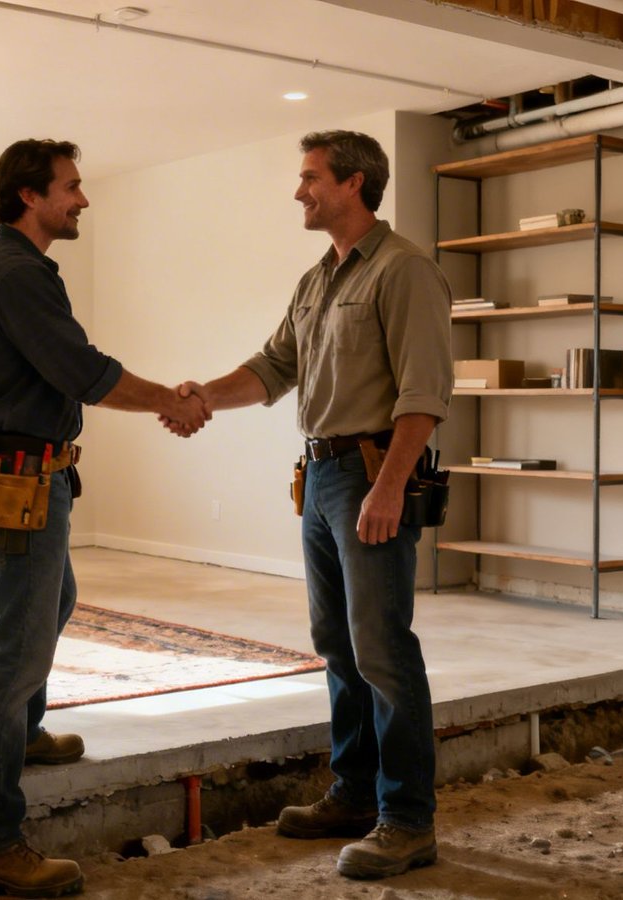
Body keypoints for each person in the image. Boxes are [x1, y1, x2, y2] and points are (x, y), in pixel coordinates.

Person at [171, 130, 452, 880]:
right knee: (336, 643)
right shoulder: (317, 279)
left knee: (382, 649)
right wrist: (200, 396)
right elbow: (273, 368)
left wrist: (391, 485)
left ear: (354, 183)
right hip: (321, 478)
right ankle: (355, 793)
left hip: (370, 473)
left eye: (311, 178)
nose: (300, 192)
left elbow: (424, 394)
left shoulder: (405, 270)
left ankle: (407, 820)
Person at [0, 138, 207, 898]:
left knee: (49, 604)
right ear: (30, 195)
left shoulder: (9, 266)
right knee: (14, 648)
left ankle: (23, 736)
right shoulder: (16, 272)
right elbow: (83, 372)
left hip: (34, 471)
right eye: (71, 187)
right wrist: (171, 399)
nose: (83, 200)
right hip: (24, 475)